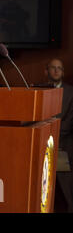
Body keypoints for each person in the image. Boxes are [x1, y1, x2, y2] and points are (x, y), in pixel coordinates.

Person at [45, 59, 73, 212]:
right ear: (46, 71)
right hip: (41, 145)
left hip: (63, 146)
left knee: (67, 193)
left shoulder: (71, 92)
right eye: (53, 68)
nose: (56, 71)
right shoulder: (38, 89)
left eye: (59, 68)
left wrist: (49, 134)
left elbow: (68, 123)